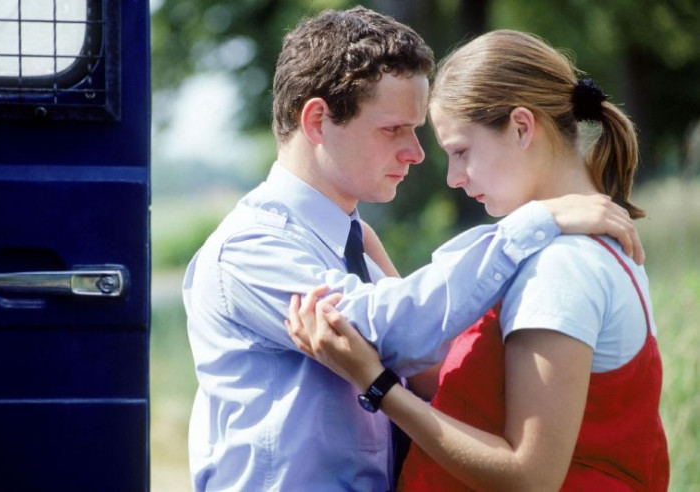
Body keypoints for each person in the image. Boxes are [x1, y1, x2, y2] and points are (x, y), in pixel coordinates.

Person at [183, 7, 645, 491]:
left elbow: (425, 365)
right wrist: (532, 223)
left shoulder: (356, 243)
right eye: (392, 129)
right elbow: (382, 328)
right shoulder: (248, 249)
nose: (416, 153)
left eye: (416, 130)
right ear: (318, 121)